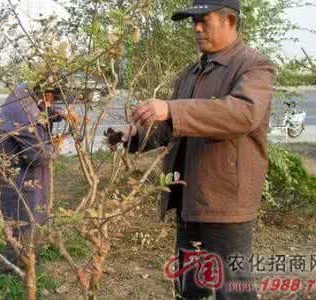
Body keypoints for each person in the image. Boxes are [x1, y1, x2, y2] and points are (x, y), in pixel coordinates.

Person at [117, 0, 276, 299]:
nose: (197, 28)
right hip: (189, 196)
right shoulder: (191, 73)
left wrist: (171, 109)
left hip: (226, 201)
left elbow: (241, 114)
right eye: (193, 22)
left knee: (233, 291)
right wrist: (134, 136)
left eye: (204, 20)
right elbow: (173, 127)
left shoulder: (254, 66)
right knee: (190, 287)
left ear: (230, 20)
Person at [0, 77, 65, 261]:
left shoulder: (25, 91)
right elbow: (39, 155)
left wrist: (54, 112)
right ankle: (15, 267)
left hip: (19, 172)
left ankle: (24, 256)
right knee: (19, 220)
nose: (51, 103)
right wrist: (56, 147)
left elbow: (41, 107)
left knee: (24, 219)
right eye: (52, 99)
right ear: (47, 93)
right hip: (14, 179)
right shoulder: (25, 113)